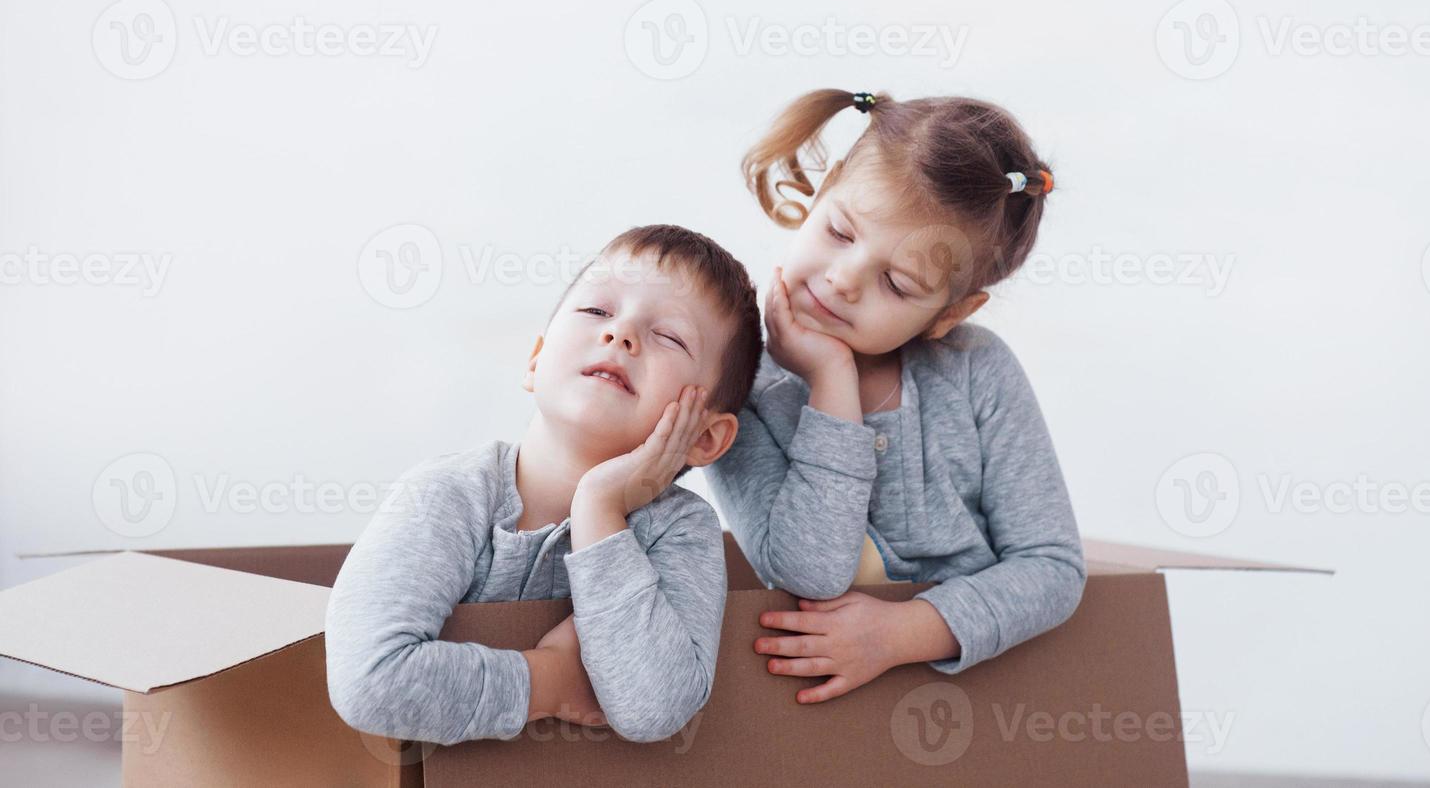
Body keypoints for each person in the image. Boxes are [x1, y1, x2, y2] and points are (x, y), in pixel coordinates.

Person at [706, 89, 1086, 705]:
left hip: (985, 710)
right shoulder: (737, 383)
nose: (843, 279)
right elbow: (807, 570)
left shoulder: (976, 371)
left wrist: (903, 633)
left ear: (950, 313)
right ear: (824, 189)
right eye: (838, 231)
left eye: (897, 283)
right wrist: (831, 384)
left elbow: (1052, 566)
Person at [326, 224, 762, 743]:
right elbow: (369, 683)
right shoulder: (444, 494)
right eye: (597, 311)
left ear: (707, 438)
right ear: (536, 360)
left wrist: (600, 506)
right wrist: (546, 682)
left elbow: (656, 708)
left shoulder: (682, 530)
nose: (620, 334)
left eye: (668, 336)